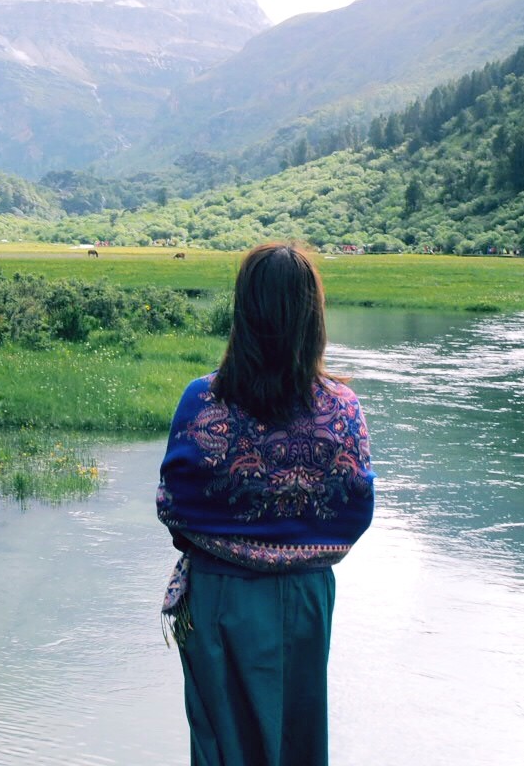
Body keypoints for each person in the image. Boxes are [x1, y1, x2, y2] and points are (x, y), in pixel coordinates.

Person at [156, 241, 375, 766]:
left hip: (218, 595)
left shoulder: (203, 399)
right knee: (298, 738)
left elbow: (173, 502)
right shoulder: (341, 407)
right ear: (310, 317)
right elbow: (356, 505)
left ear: (245, 313)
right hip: (305, 598)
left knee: (223, 745)